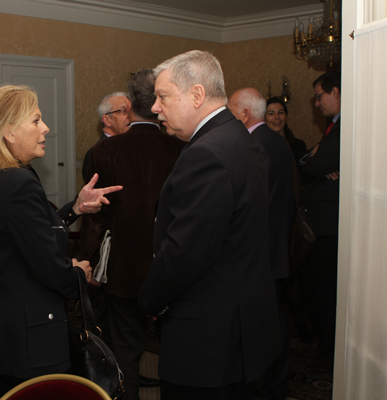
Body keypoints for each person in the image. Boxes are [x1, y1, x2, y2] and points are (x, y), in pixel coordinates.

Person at [0, 85, 122, 400]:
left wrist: (75, 208)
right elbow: (51, 270)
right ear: (8, 132)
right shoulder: (18, 183)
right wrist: (78, 273)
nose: (45, 128)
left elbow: (16, 237)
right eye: (35, 120)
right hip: (25, 338)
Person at [138, 50, 281, 400]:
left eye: (163, 96)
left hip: (210, 341)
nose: (155, 107)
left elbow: (184, 255)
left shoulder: (206, 153)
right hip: (243, 329)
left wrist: (146, 301)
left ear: (197, 95)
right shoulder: (239, 139)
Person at [80, 69, 183, 400]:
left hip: (124, 268)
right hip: (172, 264)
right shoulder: (181, 147)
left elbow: (98, 216)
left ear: (130, 108)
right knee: (177, 349)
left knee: (125, 350)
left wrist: (88, 260)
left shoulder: (105, 151)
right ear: (154, 103)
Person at [228, 87, 295, 400]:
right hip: (276, 243)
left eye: (230, 111)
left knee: (268, 320)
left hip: (264, 247)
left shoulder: (257, 145)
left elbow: (255, 204)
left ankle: (269, 381)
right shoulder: (274, 140)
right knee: (274, 314)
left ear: (243, 114)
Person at [301, 71, 341, 359]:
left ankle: (330, 351)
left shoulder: (344, 126)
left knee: (327, 292)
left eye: (319, 96)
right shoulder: (332, 127)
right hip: (323, 225)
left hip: (331, 228)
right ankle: (325, 344)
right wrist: (312, 159)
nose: (317, 104)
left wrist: (314, 161)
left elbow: (315, 165)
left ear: (335, 93)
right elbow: (311, 162)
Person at [81, 92, 131, 184]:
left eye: (132, 111)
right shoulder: (96, 154)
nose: (131, 116)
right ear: (107, 120)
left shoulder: (136, 147)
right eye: (124, 111)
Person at [265, 97, 308, 161]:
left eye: (281, 112)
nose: (277, 117)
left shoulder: (299, 145)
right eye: (271, 114)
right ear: (264, 118)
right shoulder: (260, 147)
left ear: (286, 116)